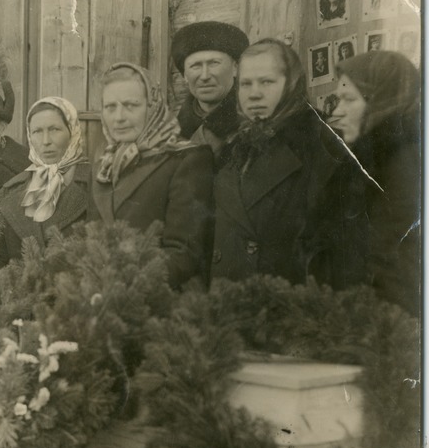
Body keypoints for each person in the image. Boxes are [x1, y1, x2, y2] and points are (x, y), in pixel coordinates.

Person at [211, 38, 361, 289]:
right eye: (246, 84)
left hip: (290, 301)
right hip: (229, 300)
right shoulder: (232, 148)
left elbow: (340, 244)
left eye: (267, 82)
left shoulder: (324, 144)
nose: (254, 93)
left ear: (292, 84)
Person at [92, 62, 214, 288]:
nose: (119, 117)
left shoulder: (186, 159)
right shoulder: (104, 163)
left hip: (162, 298)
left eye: (131, 105)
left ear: (153, 107)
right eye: (110, 107)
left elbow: (184, 253)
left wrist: (126, 285)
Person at [331, 51, 421, 315]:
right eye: (338, 100)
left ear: (382, 101)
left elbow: (393, 267)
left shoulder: (404, 163)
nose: (338, 112)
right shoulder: (372, 157)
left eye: (349, 100)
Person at [0, 97, 90, 264]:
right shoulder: (9, 192)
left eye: (55, 129)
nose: (46, 141)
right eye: (37, 131)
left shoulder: (95, 185)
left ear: (72, 132)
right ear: (30, 137)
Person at [172, 21, 250, 157]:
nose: (205, 76)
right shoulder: (174, 131)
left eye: (214, 63)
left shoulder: (251, 124)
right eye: (195, 66)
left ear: (236, 68)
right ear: (184, 75)